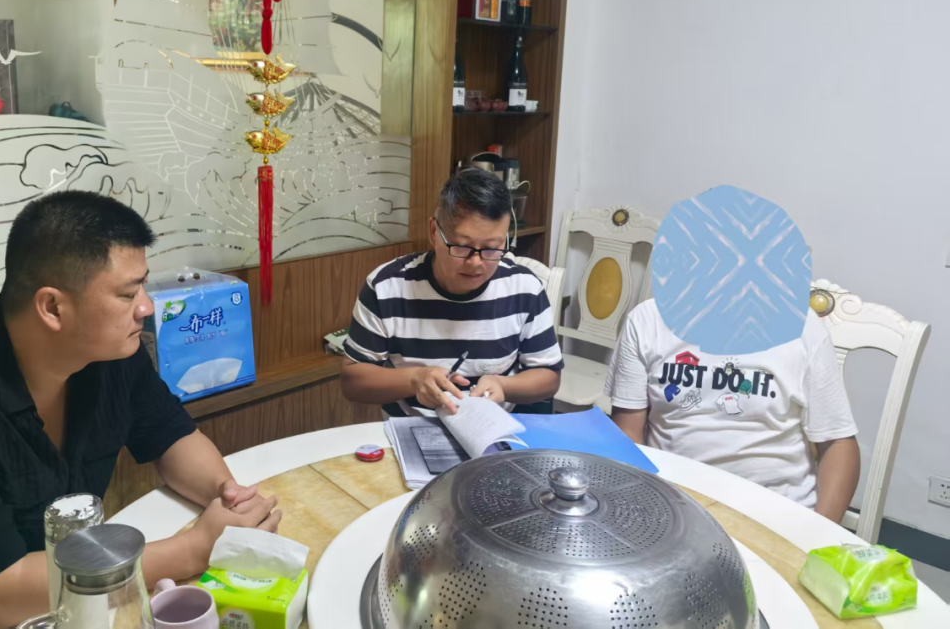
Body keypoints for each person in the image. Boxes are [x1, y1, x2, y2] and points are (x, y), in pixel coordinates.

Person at [0, 191, 281, 629]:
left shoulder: (111, 353)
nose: (146, 307)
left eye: (142, 286)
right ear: (52, 307)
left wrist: (226, 495)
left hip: (77, 599)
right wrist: (194, 549)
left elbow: (172, 436)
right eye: (128, 294)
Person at [605, 298, 861, 522]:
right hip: (674, 505)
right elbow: (628, 434)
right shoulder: (647, 319)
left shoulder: (802, 326)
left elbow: (838, 442)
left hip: (776, 512)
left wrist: (819, 537)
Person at [340, 169, 563, 416]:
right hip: (414, 427)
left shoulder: (524, 288)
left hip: (494, 429)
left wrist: (504, 385)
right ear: (434, 232)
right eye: (462, 247)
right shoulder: (386, 287)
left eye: (492, 248)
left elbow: (549, 376)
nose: (476, 262)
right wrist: (414, 380)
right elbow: (352, 382)